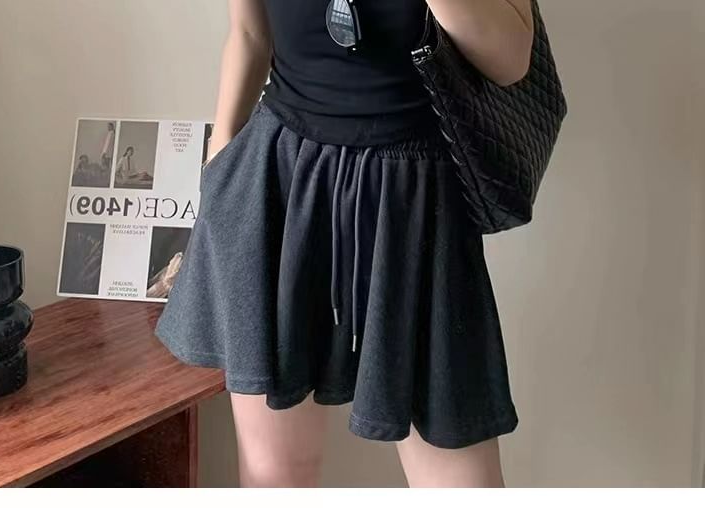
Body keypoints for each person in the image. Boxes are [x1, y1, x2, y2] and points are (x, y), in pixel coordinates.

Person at [156, 0, 535, 488]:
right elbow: (249, 35)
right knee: (274, 476)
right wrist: (220, 163)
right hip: (281, 183)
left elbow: (510, 59)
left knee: (460, 482)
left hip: (415, 200)